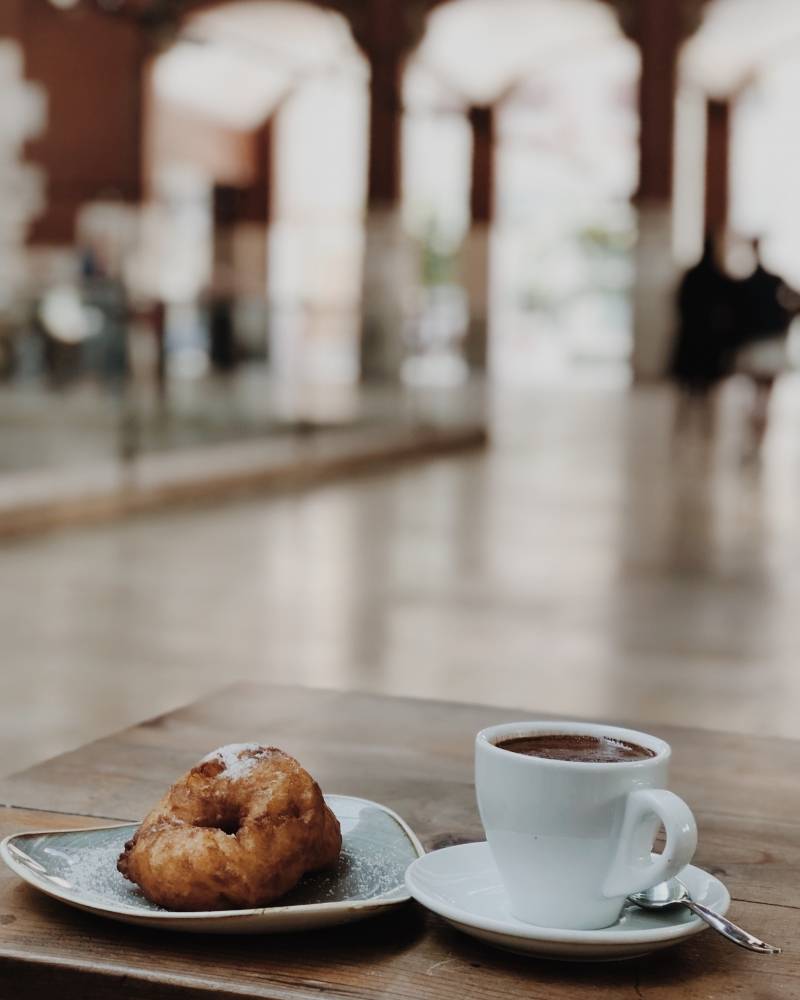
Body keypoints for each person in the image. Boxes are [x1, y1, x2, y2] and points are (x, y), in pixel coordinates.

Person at [734, 239, 797, 453]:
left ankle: (757, 426)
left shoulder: (750, 283)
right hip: (766, 341)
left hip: (758, 342)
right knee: (764, 391)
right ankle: (759, 426)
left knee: (757, 389)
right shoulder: (770, 281)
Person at [671, 234, 737, 436]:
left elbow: (680, 304)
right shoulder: (718, 277)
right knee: (705, 388)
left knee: (689, 388)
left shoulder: (692, 275)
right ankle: (703, 426)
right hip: (709, 341)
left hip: (693, 338)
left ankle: (685, 425)